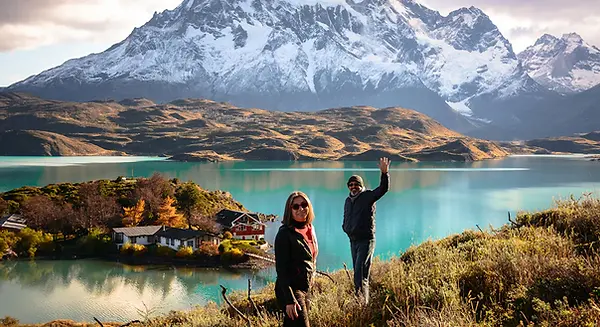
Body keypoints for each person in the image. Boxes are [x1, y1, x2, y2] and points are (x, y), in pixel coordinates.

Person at [342, 157, 390, 304]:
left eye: (356, 184)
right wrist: (345, 228)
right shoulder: (348, 200)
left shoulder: (368, 196)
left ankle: (362, 303)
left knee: (360, 272)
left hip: (366, 240)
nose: (353, 186)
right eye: (350, 184)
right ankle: (362, 301)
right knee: (360, 272)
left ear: (361, 185)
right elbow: (346, 217)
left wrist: (384, 173)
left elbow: (383, 189)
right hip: (353, 240)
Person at [275, 191, 319, 327]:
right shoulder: (284, 234)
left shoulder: (310, 228)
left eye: (304, 204)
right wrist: (289, 300)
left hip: (305, 287)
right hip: (291, 289)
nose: (301, 209)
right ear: (290, 210)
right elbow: (281, 270)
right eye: (296, 206)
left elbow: (311, 259)